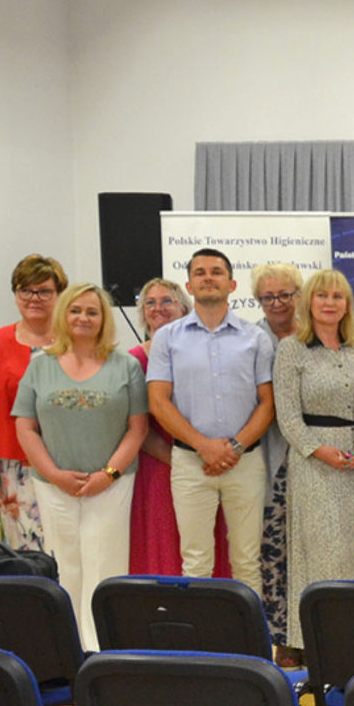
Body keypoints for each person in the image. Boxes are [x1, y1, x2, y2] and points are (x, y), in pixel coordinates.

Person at [12, 283, 146, 651]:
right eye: (75, 310)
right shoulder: (40, 365)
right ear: (63, 315)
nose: (83, 318)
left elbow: (138, 428)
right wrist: (54, 475)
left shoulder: (127, 366)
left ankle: (104, 654)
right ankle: (69, 654)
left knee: (105, 568)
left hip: (112, 485)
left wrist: (109, 474)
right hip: (54, 486)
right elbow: (24, 425)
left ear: (104, 319)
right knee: (66, 568)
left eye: (92, 311)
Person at [147, 248, 278, 597]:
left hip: (245, 462)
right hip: (190, 462)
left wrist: (233, 448)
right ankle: (200, 644)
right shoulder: (167, 338)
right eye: (200, 272)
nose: (208, 277)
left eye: (216, 272)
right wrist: (204, 446)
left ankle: (253, 645)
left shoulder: (256, 338)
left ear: (232, 284)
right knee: (195, 561)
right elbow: (158, 403)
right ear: (189, 284)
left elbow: (268, 403)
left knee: (248, 560)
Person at [273, 269, 354, 653]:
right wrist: (320, 451)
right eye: (322, 296)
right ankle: (317, 645)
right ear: (308, 302)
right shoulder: (292, 349)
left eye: (339, 296)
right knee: (322, 553)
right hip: (315, 463)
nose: (330, 303)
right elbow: (287, 417)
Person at [0, 254, 68, 552]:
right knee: (28, 553)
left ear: (59, 295)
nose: (34, 298)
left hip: (70, 463)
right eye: (26, 290)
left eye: (44, 291)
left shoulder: (77, 341)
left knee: (70, 551)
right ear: (15, 295)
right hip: (15, 469)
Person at [129, 278, 232, 578]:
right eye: (150, 302)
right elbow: (139, 427)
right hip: (161, 469)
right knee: (166, 549)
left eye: (167, 301)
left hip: (208, 464)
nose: (158, 308)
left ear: (185, 309)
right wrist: (182, 460)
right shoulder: (135, 361)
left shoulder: (209, 354)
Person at [249, 262, 301, 660]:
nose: (278, 303)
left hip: (319, 460)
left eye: (285, 294)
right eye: (268, 297)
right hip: (270, 459)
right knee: (274, 553)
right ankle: (282, 641)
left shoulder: (320, 333)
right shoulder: (250, 340)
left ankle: (312, 636)